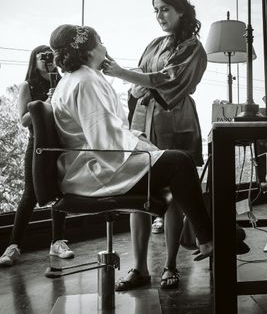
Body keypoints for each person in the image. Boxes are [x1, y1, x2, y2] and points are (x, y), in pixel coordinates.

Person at [49, 24, 212, 292]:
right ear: (89, 50)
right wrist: (144, 148)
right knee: (181, 162)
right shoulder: (86, 81)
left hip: (88, 165)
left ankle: (204, 237)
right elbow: (106, 144)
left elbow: (107, 133)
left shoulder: (75, 79)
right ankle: (207, 237)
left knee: (174, 162)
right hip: (96, 170)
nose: (104, 46)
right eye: (100, 41)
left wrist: (138, 140)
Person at [101, 0, 206, 290]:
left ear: (181, 10)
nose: (160, 16)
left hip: (176, 120)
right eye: (156, 10)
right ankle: (140, 268)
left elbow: (167, 81)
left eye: (166, 9)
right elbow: (144, 79)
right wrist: (136, 83)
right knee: (140, 193)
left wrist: (124, 75)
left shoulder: (193, 47)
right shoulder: (154, 44)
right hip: (144, 120)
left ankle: (170, 266)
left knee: (175, 194)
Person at [0, 45, 74, 266]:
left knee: (60, 190)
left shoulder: (62, 83)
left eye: (52, 56)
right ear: (34, 59)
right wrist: (45, 104)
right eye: (43, 56)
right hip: (37, 143)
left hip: (60, 142)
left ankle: (57, 242)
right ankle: (13, 246)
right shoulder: (26, 85)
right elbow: (23, 120)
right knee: (30, 193)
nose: (48, 60)